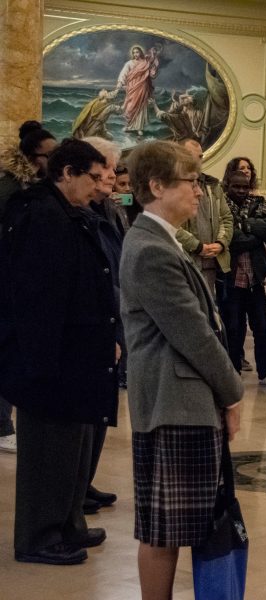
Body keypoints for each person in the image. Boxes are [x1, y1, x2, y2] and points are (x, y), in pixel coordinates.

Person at [119, 140, 243, 599]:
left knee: (173, 523)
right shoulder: (152, 248)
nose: (199, 191)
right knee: (164, 528)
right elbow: (193, 334)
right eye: (191, 182)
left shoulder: (160, 239)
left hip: (183, 402)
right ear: (156, 186)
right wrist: (234, 392)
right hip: (176, 404)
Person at [0, 138, 113, 565]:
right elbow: (34, 297)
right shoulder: (40, 215)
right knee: (48, 451)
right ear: (67, 173)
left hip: (76, 355)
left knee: (73, 448)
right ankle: (38, 537)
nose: (99, 186)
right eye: (93, 177)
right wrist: (40, 364)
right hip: (49, 361)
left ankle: (67, 524)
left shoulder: (69, 213)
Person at [0, 121, 57, 454]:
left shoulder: (33, 187)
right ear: (35, 157)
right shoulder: (11, 188)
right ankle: (3, 425)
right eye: (51, 155)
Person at [81, 136, 129, 515]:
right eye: (108, 169)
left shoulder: (110, 210)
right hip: (97, 319)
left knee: (100, 408)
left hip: (113, 311)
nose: (114, 175)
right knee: (86, 410)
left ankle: (85, 481)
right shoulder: (81, 215)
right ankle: (76, 488)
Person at [220, 171, 266, 388]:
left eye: (245, 187)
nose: (241, 191)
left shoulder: (258, 203)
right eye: (236, 186)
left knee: (263, 328)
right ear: (228, 185)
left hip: (255, 278)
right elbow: (229, 239)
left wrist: (243, 227)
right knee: (234, 328)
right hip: (232, 278)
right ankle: (233, 372)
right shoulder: (222, 206)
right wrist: (252, 235)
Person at [174, 137, 233, 297]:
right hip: (184, 260)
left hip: (210, 263)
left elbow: (226, 218)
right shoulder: (171, 184)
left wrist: (220, 243)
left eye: (200, 156)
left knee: (206, 310)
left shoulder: (212, 185)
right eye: (194, 156)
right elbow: (170, 223)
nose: (200, 160)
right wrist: (197, 246)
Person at [113, 45, 160, 135]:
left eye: (137, 52)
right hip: (132, 88)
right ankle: (129, 125)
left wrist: (154, 65)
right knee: (130, 107)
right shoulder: (129, 63)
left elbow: (151, 75)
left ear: (141, 52)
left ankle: (139, 127)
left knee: (141, 106)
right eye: (134, 52)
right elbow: (123, 74)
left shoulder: (145, 62)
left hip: (142, 87)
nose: (135, 54)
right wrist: (118, 86)